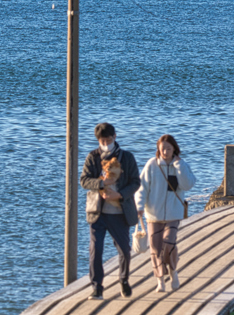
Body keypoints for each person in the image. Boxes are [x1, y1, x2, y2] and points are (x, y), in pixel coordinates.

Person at [81, 122, 141, 300]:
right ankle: (97, 287)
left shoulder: (127, 157)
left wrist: (119, 194)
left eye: (108, 139)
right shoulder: (92, 157)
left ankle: (123, 279)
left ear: (115, 137)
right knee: (95, 250)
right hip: (97, 212)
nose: (105, 143)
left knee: (124, 249)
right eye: (102, 140)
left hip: (119, 213)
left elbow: (136, 182)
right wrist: (101, 183)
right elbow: (84, 181)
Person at [135, 134, 196, 293]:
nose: (165, 152)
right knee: (155, 248)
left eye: (169, 149)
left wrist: (179, 166)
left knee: (169, 243)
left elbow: (188, 185)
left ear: (174, 149)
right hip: (153, 215)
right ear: (158, 150)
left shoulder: (181, 165)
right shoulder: (152, 165)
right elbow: (142, 188)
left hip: (174, 214)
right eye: (163, 149)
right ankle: (160, 280)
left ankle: (173, 271)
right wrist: (139, 206)